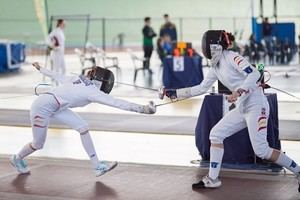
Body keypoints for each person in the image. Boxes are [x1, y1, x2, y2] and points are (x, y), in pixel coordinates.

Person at [160, 30, 300, 192]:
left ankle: (298, 171)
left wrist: (240, 91)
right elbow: (201, 88)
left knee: (262, 150)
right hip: (242, 107)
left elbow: (254, 73)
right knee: (216, 134)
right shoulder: (215, 67)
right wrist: (175, 93)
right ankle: (212, 179)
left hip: (256, 104)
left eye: (208, 46)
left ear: (216, 47)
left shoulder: (232, 57)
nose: (205, 50)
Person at [10, 62, 156, 177]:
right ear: (101, 83)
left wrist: (41, 68)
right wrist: (142, 109)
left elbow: (58, 76)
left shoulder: (78, 79)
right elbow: (117, 103)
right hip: (42, 107)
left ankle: (97, 166)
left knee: (83, 127)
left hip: (56, 106)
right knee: (38, 144)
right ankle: (17, 158)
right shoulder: (92, 91)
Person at [47, 19, 66, 83]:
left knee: (64, 69)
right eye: (63, 23)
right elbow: (48, 38)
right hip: (56, 53)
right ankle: (55, 83)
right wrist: (52, 46)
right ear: (60, 24)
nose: (65, 25)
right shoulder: (55, 31)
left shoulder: (61, 31)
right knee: (56, 69)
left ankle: (63, 82)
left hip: (61, 53)